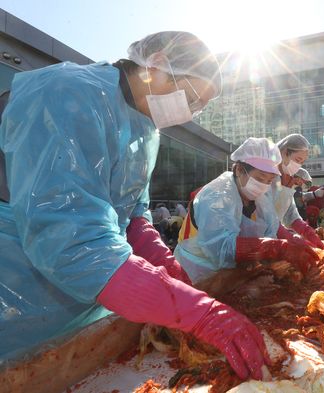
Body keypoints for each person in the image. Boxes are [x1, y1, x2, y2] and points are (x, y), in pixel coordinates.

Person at [0, 31, 270, 381]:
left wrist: (167, 268)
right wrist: (199, 314)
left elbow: (130, 216)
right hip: (17, 279)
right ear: (156, 64)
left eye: (199, 106)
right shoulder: (65, 93)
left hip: (90, 287)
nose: (189, 111)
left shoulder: (145, 132)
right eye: (190, 96)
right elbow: (69, 237)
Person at [174, 137, 319, 284]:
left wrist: (293, 240)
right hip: (195, 274)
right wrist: (276, 248)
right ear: (239, 170)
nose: (264, 185)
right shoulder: (217, 196)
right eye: (260, 178)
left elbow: (273, 226)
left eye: (269, 180)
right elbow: (222, 249)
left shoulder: (261, 198)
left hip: (230, 276)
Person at [272, 134, 324, 249]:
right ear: (284, 152)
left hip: (271, 239)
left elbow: (289, 213)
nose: (299, 165)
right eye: (297, 160)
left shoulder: (287, 179)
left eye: (302, 162)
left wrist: (306, 231)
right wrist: (287, 234)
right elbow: (265, 217)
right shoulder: (267, 177)